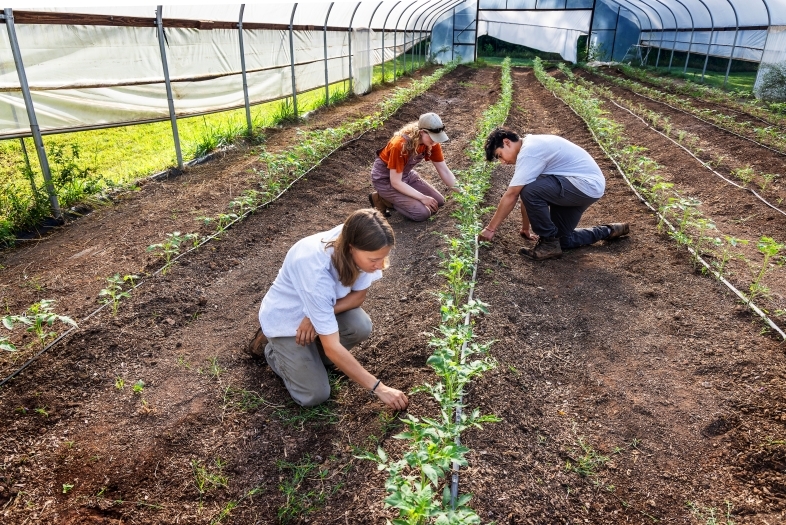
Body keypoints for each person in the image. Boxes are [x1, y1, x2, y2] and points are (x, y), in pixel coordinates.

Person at [248, 209, 408, 410]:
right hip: (287, 322)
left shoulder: (360, 238)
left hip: (316, 311)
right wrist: (379, 388)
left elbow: (358, 297)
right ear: (351, 248)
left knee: (360, 326)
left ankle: (311, 359)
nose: (380, 265)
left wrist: (317, 316)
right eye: (374, 260)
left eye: (383, 257)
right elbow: (332, 348)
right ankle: (271, 350)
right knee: (315, 395)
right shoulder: (315, 269)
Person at [479, 128, 629, 260]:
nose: (502, 162)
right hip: (586, 188)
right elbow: (526, 198)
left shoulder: (529, 152)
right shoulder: (531, 146)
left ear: (506, 142)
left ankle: (549, 243)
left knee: (531, 191)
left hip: (583, 185)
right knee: (564, 240)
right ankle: (610, 230)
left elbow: (514, 195)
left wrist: (490, 229)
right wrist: (525, 228)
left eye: (499, 155)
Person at [369, 112, 458, 221]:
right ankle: (383, 199)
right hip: (386, 180)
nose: (435, 142)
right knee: (422, 213)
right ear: (422, 132)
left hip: (405, 175)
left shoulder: (431, 143)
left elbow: (444, 170)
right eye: (433, 138)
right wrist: (423, 198)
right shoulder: (400, 145)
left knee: (438, 201)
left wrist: (462, 192)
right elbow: (395, 182)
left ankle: (400, 198)